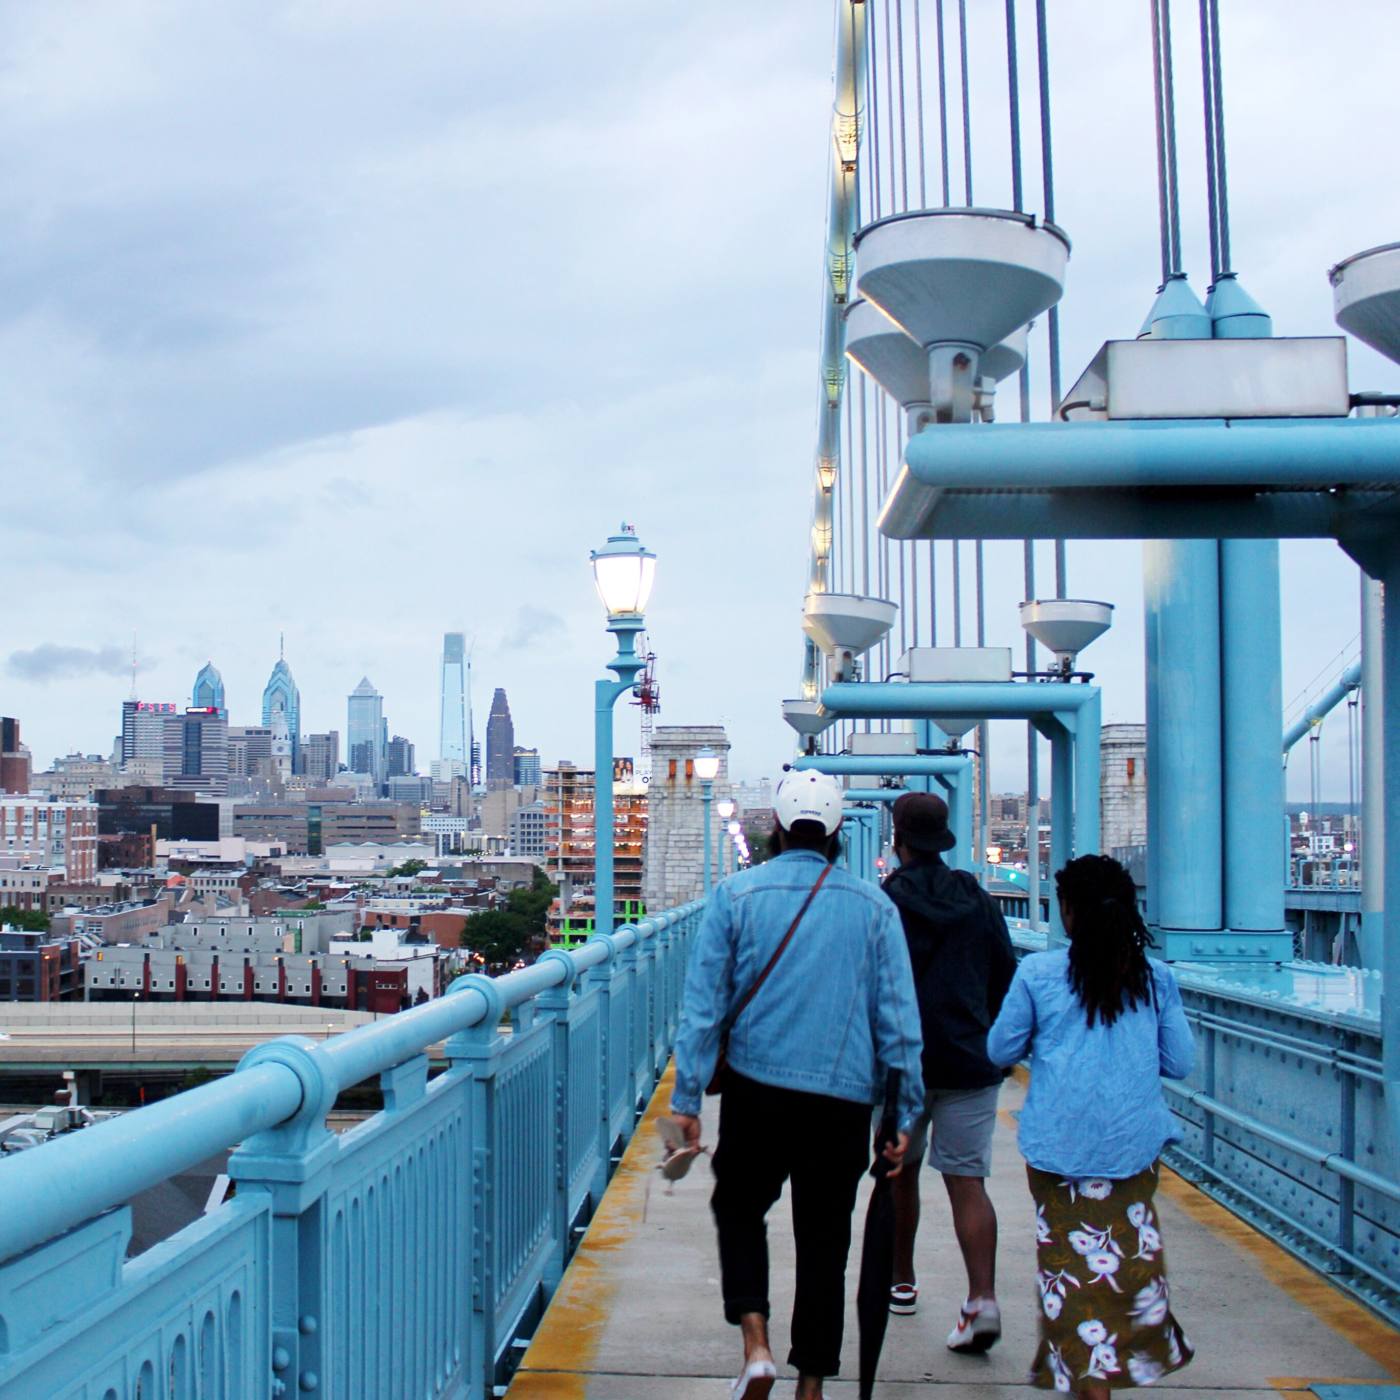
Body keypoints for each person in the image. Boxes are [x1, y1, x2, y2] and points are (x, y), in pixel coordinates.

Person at [670, 768, 924, 1400]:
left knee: (738, 1206)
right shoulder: (875, 907)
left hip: (759, 1090)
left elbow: (704, 1007)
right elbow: (898, 1024)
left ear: (778, 828)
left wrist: (687, 1098)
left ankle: (755, 1344)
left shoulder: (736, 895)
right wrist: (901, 1117)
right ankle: (811, 1383)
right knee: (825, 1240)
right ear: (839, 831)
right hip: (841, 1102)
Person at [986, 853, 1195, 1397]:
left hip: (1059, 1150)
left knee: (1066, 1271)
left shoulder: (1038, 973)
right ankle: (1110, 1367)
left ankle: (1088, 1379)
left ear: (1068, 913)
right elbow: (1180, 1062)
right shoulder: (1156, 980)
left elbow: (1000, 1048)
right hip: (1132, 1150)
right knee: (1125, 1266)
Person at [881, 790, 1017, 1354]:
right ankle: (981, 1298)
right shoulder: (978, 900)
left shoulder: (886, 901)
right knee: (967, 1181)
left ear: (898, 840)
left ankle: (901, 1282)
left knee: (900, 1176)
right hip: (969, 1058)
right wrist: (991, 1039)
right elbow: (1006, 974)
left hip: (904, 1064)